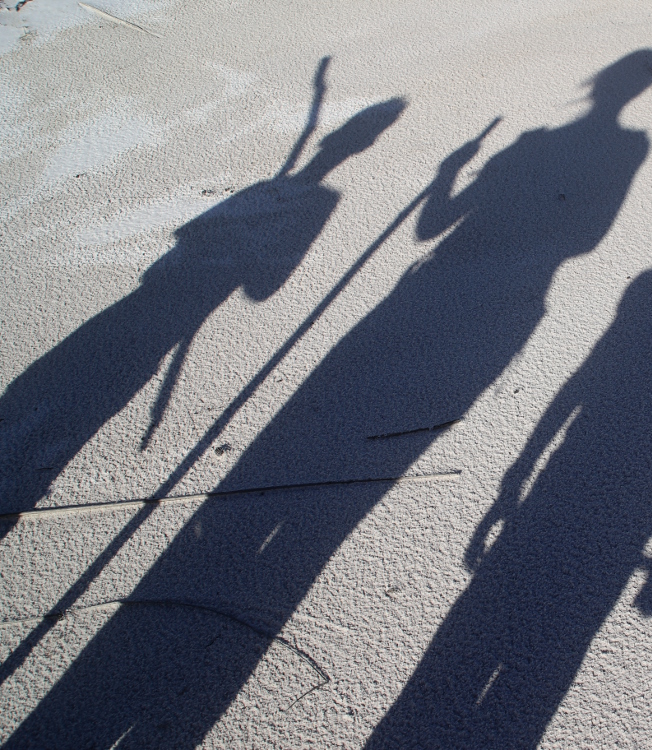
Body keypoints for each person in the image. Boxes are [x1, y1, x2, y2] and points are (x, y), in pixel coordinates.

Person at [6, 50, 652, 750]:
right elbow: (586, 240)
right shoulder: (627, 148)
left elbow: (431, 227)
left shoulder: (539, 144)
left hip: (426, 292)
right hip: (504, 317)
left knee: (281, 467)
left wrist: (450, 179)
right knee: (318, 518)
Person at [369, 163, 652, 749]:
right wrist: (523, 468)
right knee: (527, 653)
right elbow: (615, 381)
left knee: (504, 643)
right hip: (625, 463)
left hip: (615, 461)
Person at [0, 59, 402, 527]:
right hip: (164, 327)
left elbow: (188, 240)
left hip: (133, 306)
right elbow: (262, 291)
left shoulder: (274, 190)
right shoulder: (318, 202)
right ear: (361, 145)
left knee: (32, 392)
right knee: (71, 415)